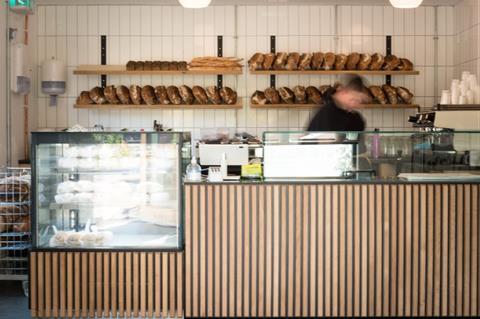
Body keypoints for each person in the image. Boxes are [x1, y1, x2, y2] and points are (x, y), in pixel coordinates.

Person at [307, 75, 371, 131]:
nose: (355, 104)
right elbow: (325, 142)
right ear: (344, 92)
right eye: (353, 99)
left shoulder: (353, 116)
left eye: (358, 101)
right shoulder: (328, 112)